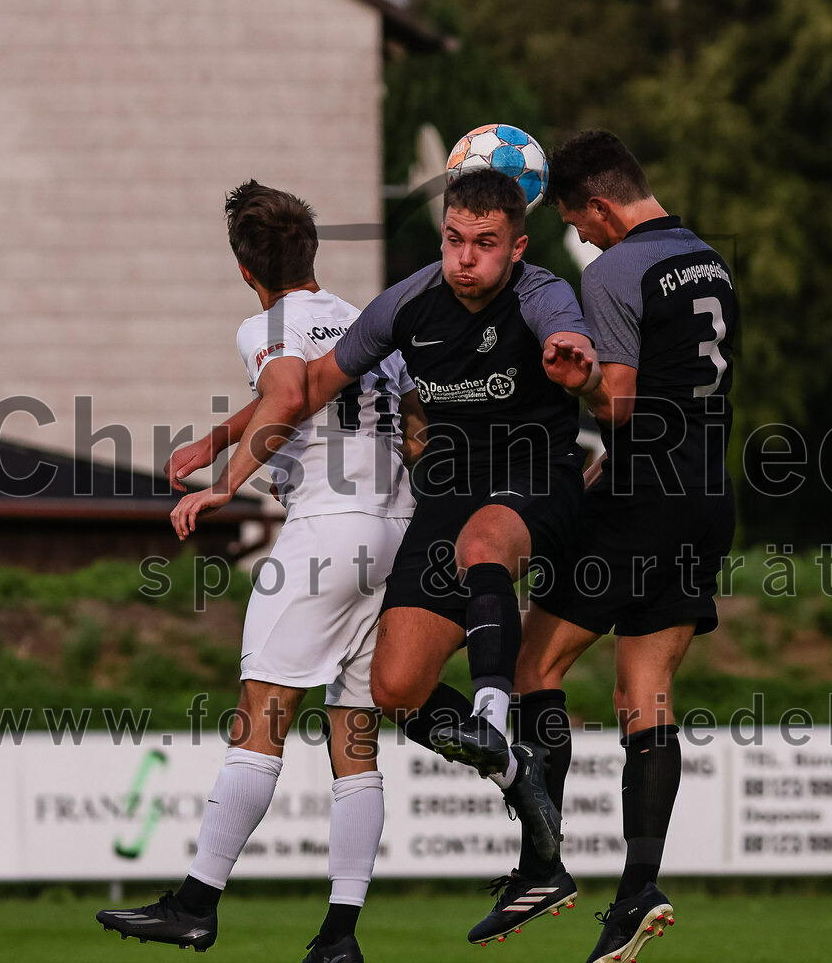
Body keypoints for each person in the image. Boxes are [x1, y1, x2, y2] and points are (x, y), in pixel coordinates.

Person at [96, 181, 422, 963]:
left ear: (247, 271)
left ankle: (197, 902)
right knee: (355, 736)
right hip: (399, 530)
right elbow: (401, 422)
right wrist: (214, 438)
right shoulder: (366, 322)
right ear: (312, 253)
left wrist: (223, 484)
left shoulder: (266, 324)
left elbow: (284, 392)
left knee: (262, 713)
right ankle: (340, 935)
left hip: (325, 532)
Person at [471, 131, 737, 963]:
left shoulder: (616, 270)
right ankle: (637, 892)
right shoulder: (708, 260)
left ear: (600, 205)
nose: (581, 239)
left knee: (530, 668)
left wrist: (573, 376)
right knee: (643, 692)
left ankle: (542, 863)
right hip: (705, 495)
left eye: (579, 224)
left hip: (643, 494)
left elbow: (620, 404)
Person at [297, 167, 600, 879]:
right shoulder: (407, 304)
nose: (465, 258)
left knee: (482, 542)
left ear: (517, 247)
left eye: (484, 244)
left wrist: (576, 367)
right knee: (395, 688)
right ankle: (511, 766)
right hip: (451, 494)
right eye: (454, 240)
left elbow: (574, 344)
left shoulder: (542, 292)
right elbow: (311, 383)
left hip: (539, 481)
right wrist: (224, 457)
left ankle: (494, 717)